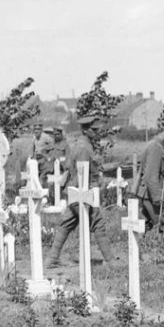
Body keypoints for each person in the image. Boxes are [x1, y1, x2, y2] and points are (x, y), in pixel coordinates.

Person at [45, 114, 115, 268]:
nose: (98, 133)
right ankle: (110, 261)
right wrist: (92, 187)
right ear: (87, 130)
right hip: (81, 191)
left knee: (67, 222)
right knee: (97, 223)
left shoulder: (82, 144)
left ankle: (53, 259)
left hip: (75, 190)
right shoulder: (84, 148)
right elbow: (83, 173)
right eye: (94, 130)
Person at [133, 122, 164, 233]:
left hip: (148, 193)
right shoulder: (156, 147)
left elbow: (161, 174)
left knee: (145, 226)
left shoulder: (154, 145)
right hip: (152, 195)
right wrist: (157, 198)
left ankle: (142, 248)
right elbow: (151, 176)